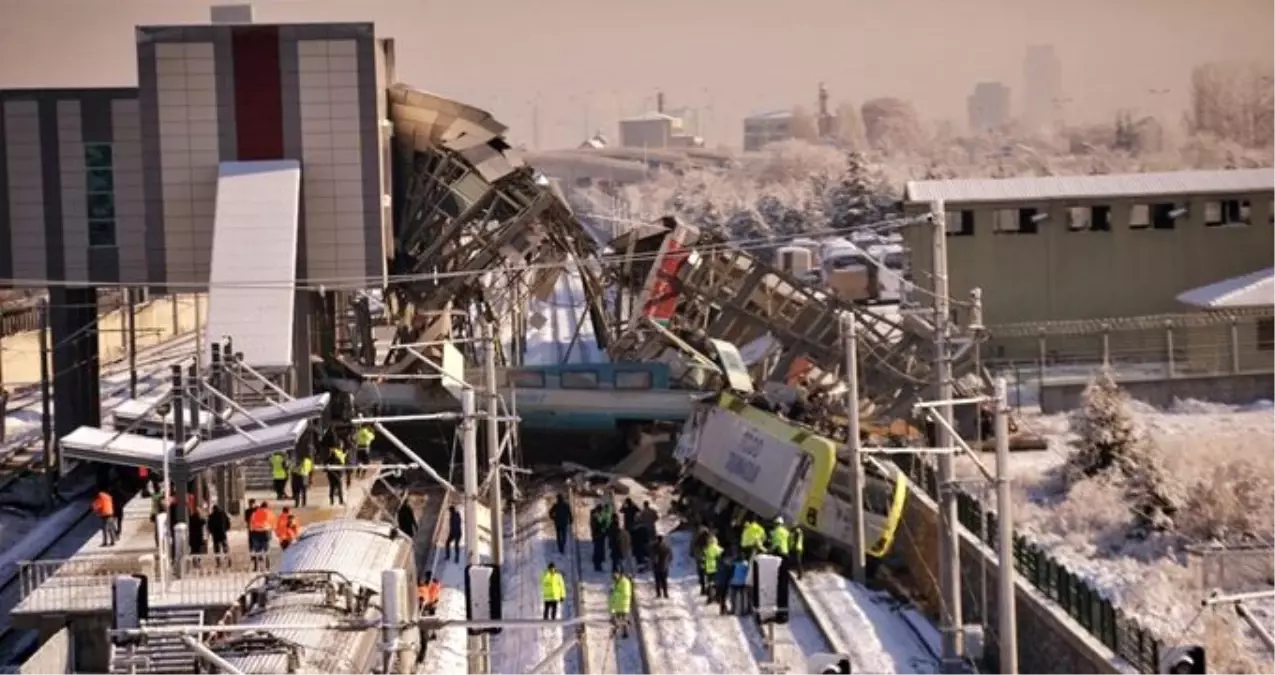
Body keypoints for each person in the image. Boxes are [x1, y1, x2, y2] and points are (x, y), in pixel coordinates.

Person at [248, 501, 274, 571]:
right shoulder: (269, 513)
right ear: (267, 507)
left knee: (257, 551)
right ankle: (267, 567)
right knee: (266, 551)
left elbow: (250, 525)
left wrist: (253, 531)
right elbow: (273, 524)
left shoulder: (254, 513)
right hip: (266, 534)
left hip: (256, 534)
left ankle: (259, 567)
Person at [608, 571, 632, 638]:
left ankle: (625, 632)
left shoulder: (625, 582)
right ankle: (615, 630)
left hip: (623, 603)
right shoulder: (616, 582)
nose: (614, 578)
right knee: (617, 618)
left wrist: (614, 593)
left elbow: (625, 594)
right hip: (617, 604)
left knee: (623, 619)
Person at [700, 534, 723, 601]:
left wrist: (703, 567)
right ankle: (718, 597)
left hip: (709, 569)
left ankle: (710, 597)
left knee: (710, 583)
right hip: (717, 568)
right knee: (718, 583)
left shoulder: (706, 550)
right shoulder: (719, 550)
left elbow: (703, 559)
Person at [650, 534, 673, 599]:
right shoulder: (666, 546)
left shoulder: (654, 547)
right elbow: (670, 556)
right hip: (664, 566)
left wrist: (653, 562)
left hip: (656, 566)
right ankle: (665, 593)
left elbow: (652, 556)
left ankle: (658, 594)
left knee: (657, 580)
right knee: (664, 580)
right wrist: (668, 562)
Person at [691, 525, 712, 594]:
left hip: (699, 558)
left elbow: (693, 546)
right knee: (708, 574)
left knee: (701, 574)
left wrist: (692, 553)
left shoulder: (696, 539)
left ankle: (703, 589)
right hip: (707, 559)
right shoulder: (709, 539)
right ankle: (708, 589)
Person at [589, 505, 607, 572]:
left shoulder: (595, 516)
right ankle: (597, 565)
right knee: (598, 550)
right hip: (598, 535)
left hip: (599, 535)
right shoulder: (596, 517)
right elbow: (597, 526)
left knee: (598, 549)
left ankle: (598, 564)